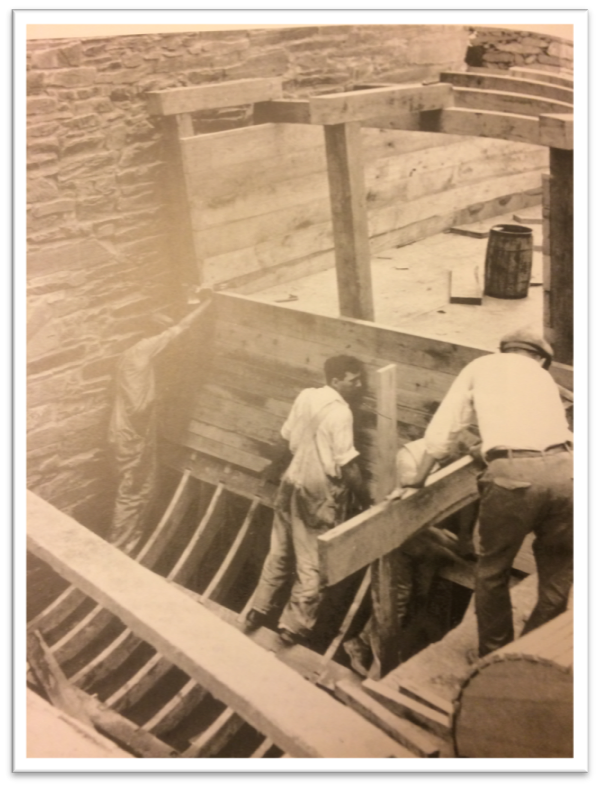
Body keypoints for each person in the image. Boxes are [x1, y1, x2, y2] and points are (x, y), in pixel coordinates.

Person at [403, 328, 573, 659]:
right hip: (569, 471)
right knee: (560, 569)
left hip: (514, 478)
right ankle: (529, 655)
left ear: (504, 350)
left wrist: (417, 480)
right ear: (539, 359)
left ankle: (494, 656)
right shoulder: (544, 382)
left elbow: (442, 433)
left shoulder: (481, 367)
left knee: (493, 571)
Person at [243, 355, 371, 646]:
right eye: (354, 380)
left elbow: (285, 437)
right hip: (317, 490)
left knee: (279, 551)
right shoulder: (342, 413)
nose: (359, 385)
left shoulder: (306, 396)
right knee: (312, 560)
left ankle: (257, 609)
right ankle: (294, 626)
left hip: (291, 481)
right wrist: (367, 501)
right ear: (336, 380)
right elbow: (348, 465)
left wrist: (271, 468)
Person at [342, 439, 469, 677]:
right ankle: (369, 659)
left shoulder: (453, 455)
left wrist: (458, 539)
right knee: (395, 600)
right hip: (398, 532)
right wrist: (443, 540)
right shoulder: (410, 458)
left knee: (411, 599)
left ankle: (363, 647)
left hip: (420, 535)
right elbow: (410, 514)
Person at [106, 289, 213, 556]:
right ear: (151, 334)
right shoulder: (143, 350)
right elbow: (180, 329)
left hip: (126, 433)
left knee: (140, 489)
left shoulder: (131, 356)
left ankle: (128, 544)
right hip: (132, 438)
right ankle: (119, 549)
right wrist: (210, 304)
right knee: (133, 493)